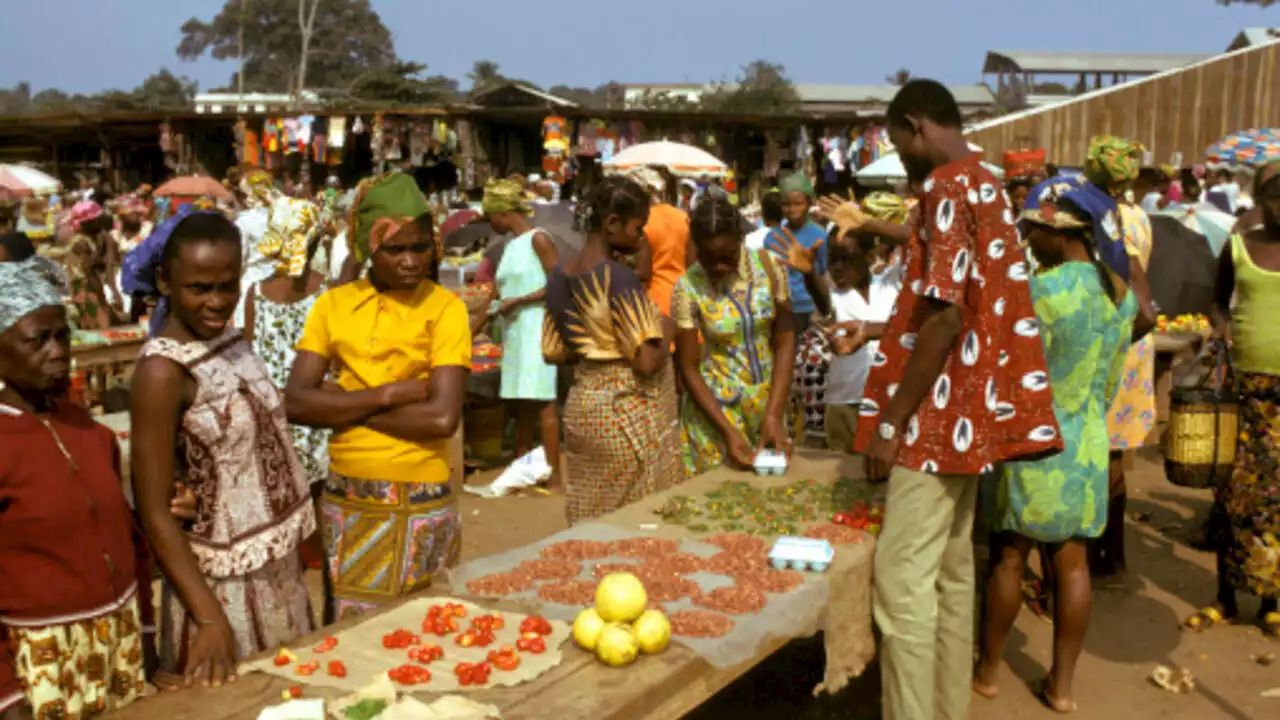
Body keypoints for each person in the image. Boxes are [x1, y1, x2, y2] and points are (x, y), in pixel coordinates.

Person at [854, 80, 1064, 720]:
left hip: (934, 417)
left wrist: (890, 424)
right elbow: (962, 307)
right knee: (950, 576)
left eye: (897, 142)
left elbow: (945, 319)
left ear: (917, 126)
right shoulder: (987, 183)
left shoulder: (947, 185)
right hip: (971, 418)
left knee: (901, 589)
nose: (901, 156)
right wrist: (874, 330)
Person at [130, 212, 316, 688]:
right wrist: (209, 618)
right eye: (199, 288)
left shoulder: (232, 341)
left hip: (274, 567)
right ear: (164, 282)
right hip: (220, 586)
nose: (217, 302)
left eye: (227, 286)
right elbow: (154, 510)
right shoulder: (162, 371)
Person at [974, 178, 1138, 713]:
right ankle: (1062, 688)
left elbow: (1012, 368)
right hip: (1088, 443)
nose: (1027, 239)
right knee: (1073, 567)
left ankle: (989, 672)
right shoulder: (1120, 294)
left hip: (1035, 440)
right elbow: (1111, 380)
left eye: (1032, 229)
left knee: (1008, 561)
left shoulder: (1041, 293)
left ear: (1058, 230)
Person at [286, 198, 469, 619]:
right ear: (368, 250)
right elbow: (295, 402)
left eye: (421, 248)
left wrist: (341, 402)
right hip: (347, 494)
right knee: (350, 633)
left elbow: (441, 419)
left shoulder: (445, 308)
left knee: (418, 630)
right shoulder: (333, 305)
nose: (410, 261)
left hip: (419, 493)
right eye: (396, 250)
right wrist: (385, 395)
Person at [542, 177, 682, 523]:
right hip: (624, 414)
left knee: (590, 514)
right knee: (634, 520)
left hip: (584, 411)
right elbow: (646, 362)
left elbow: (554, 352)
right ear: (612, 223)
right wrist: (668, 326)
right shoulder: (617, 277)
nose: (642, 236)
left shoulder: (560, 276)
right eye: (639, 227)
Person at [1189, 159, 1280, 636]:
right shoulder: (1240, 246)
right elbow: (1217, 301)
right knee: (1231, 495)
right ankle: (1226, 596)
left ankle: (1271, 599)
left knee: (1276, 501)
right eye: (1277, 194)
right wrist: (1221, 331)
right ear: (1261, 200)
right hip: (1242, 388)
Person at [1079, 136, 1160, 582]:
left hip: (1115, 337)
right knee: (1115, 453)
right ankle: (1116, 556)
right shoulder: (1142, 217)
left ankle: (1093, 553)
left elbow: (1126, 280)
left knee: (1097, 450)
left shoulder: (1102, 218)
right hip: (1137, 342)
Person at [675, 194, 796, 475]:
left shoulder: (770, 269)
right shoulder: (688, 287)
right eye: (708, 259)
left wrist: (774, 414)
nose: (718, 268)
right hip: (715, 415)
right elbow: (689, 368)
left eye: (727, 258)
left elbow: (785, 340)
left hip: (769, 404)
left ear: (740, 239)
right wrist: (728, 432)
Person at [482, 179, 560, 485]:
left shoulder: (538, 239)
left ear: (503, 212)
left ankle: (554, 477)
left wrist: (520, 300)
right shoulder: (510, 246)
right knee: (523, 404)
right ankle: (522, 469)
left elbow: (557, 283)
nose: (491, 223)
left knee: (544, 403)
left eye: (492, 216)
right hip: (515, 332)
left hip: (535, 328)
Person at [765, 173, 828, 337]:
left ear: (809, 203)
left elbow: (824, 273)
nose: (792, 209)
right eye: (786, 204)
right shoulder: (772, 237)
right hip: (780, 307)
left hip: (810, 308)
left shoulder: (819, 236)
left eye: (798, 203)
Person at [630, 168, 694, 317]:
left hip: (655, 298)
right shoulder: (682, 217)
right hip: (684, 295)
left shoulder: (642, 222)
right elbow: (692, 262)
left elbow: (644, 271)